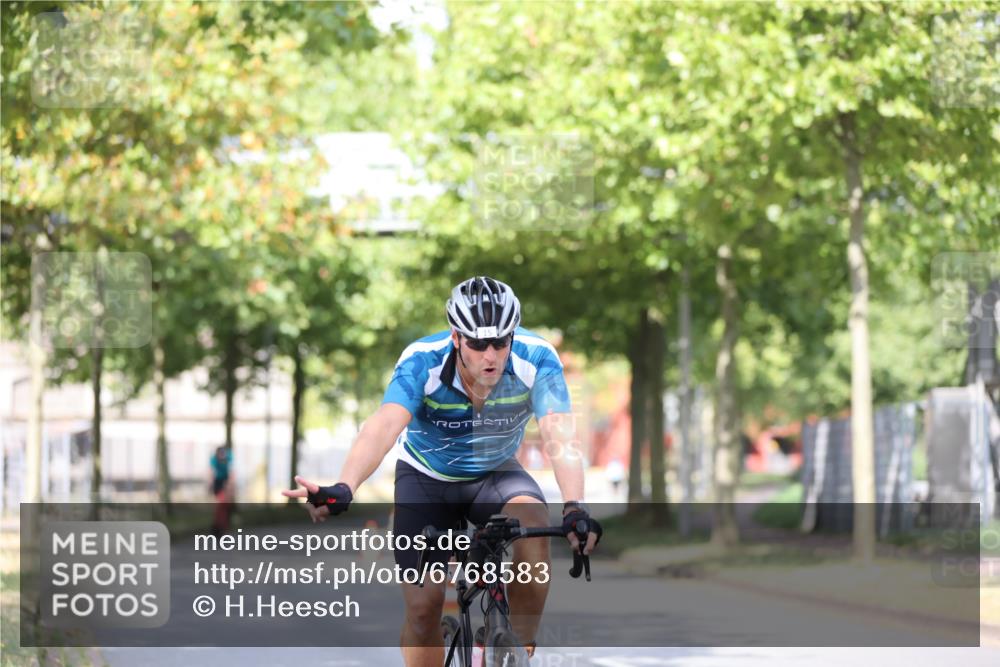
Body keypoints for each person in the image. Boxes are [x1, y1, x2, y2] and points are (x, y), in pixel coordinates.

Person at [284, 276, 602, 666]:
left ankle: (518, 648)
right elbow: (384, 424)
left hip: (495, 473)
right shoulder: (423, 360)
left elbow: (560, 434)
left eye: (501, 343)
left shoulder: (537, 358)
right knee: (423, 608)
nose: (491, 356)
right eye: (478, 344)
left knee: (534, 527)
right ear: (456, 338)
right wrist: (344, 486)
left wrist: (574, 507)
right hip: (426, 480)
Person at [210, 446, 234, 537]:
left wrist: (231, 486)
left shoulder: (229, 458)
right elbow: (211, 472)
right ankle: (218, 527)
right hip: (218, 483)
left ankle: (222, 527)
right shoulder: (214, 460)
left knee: (225, 506)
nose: (222, 456)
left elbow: (231, 471)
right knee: (221, 506)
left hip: (225, 482)